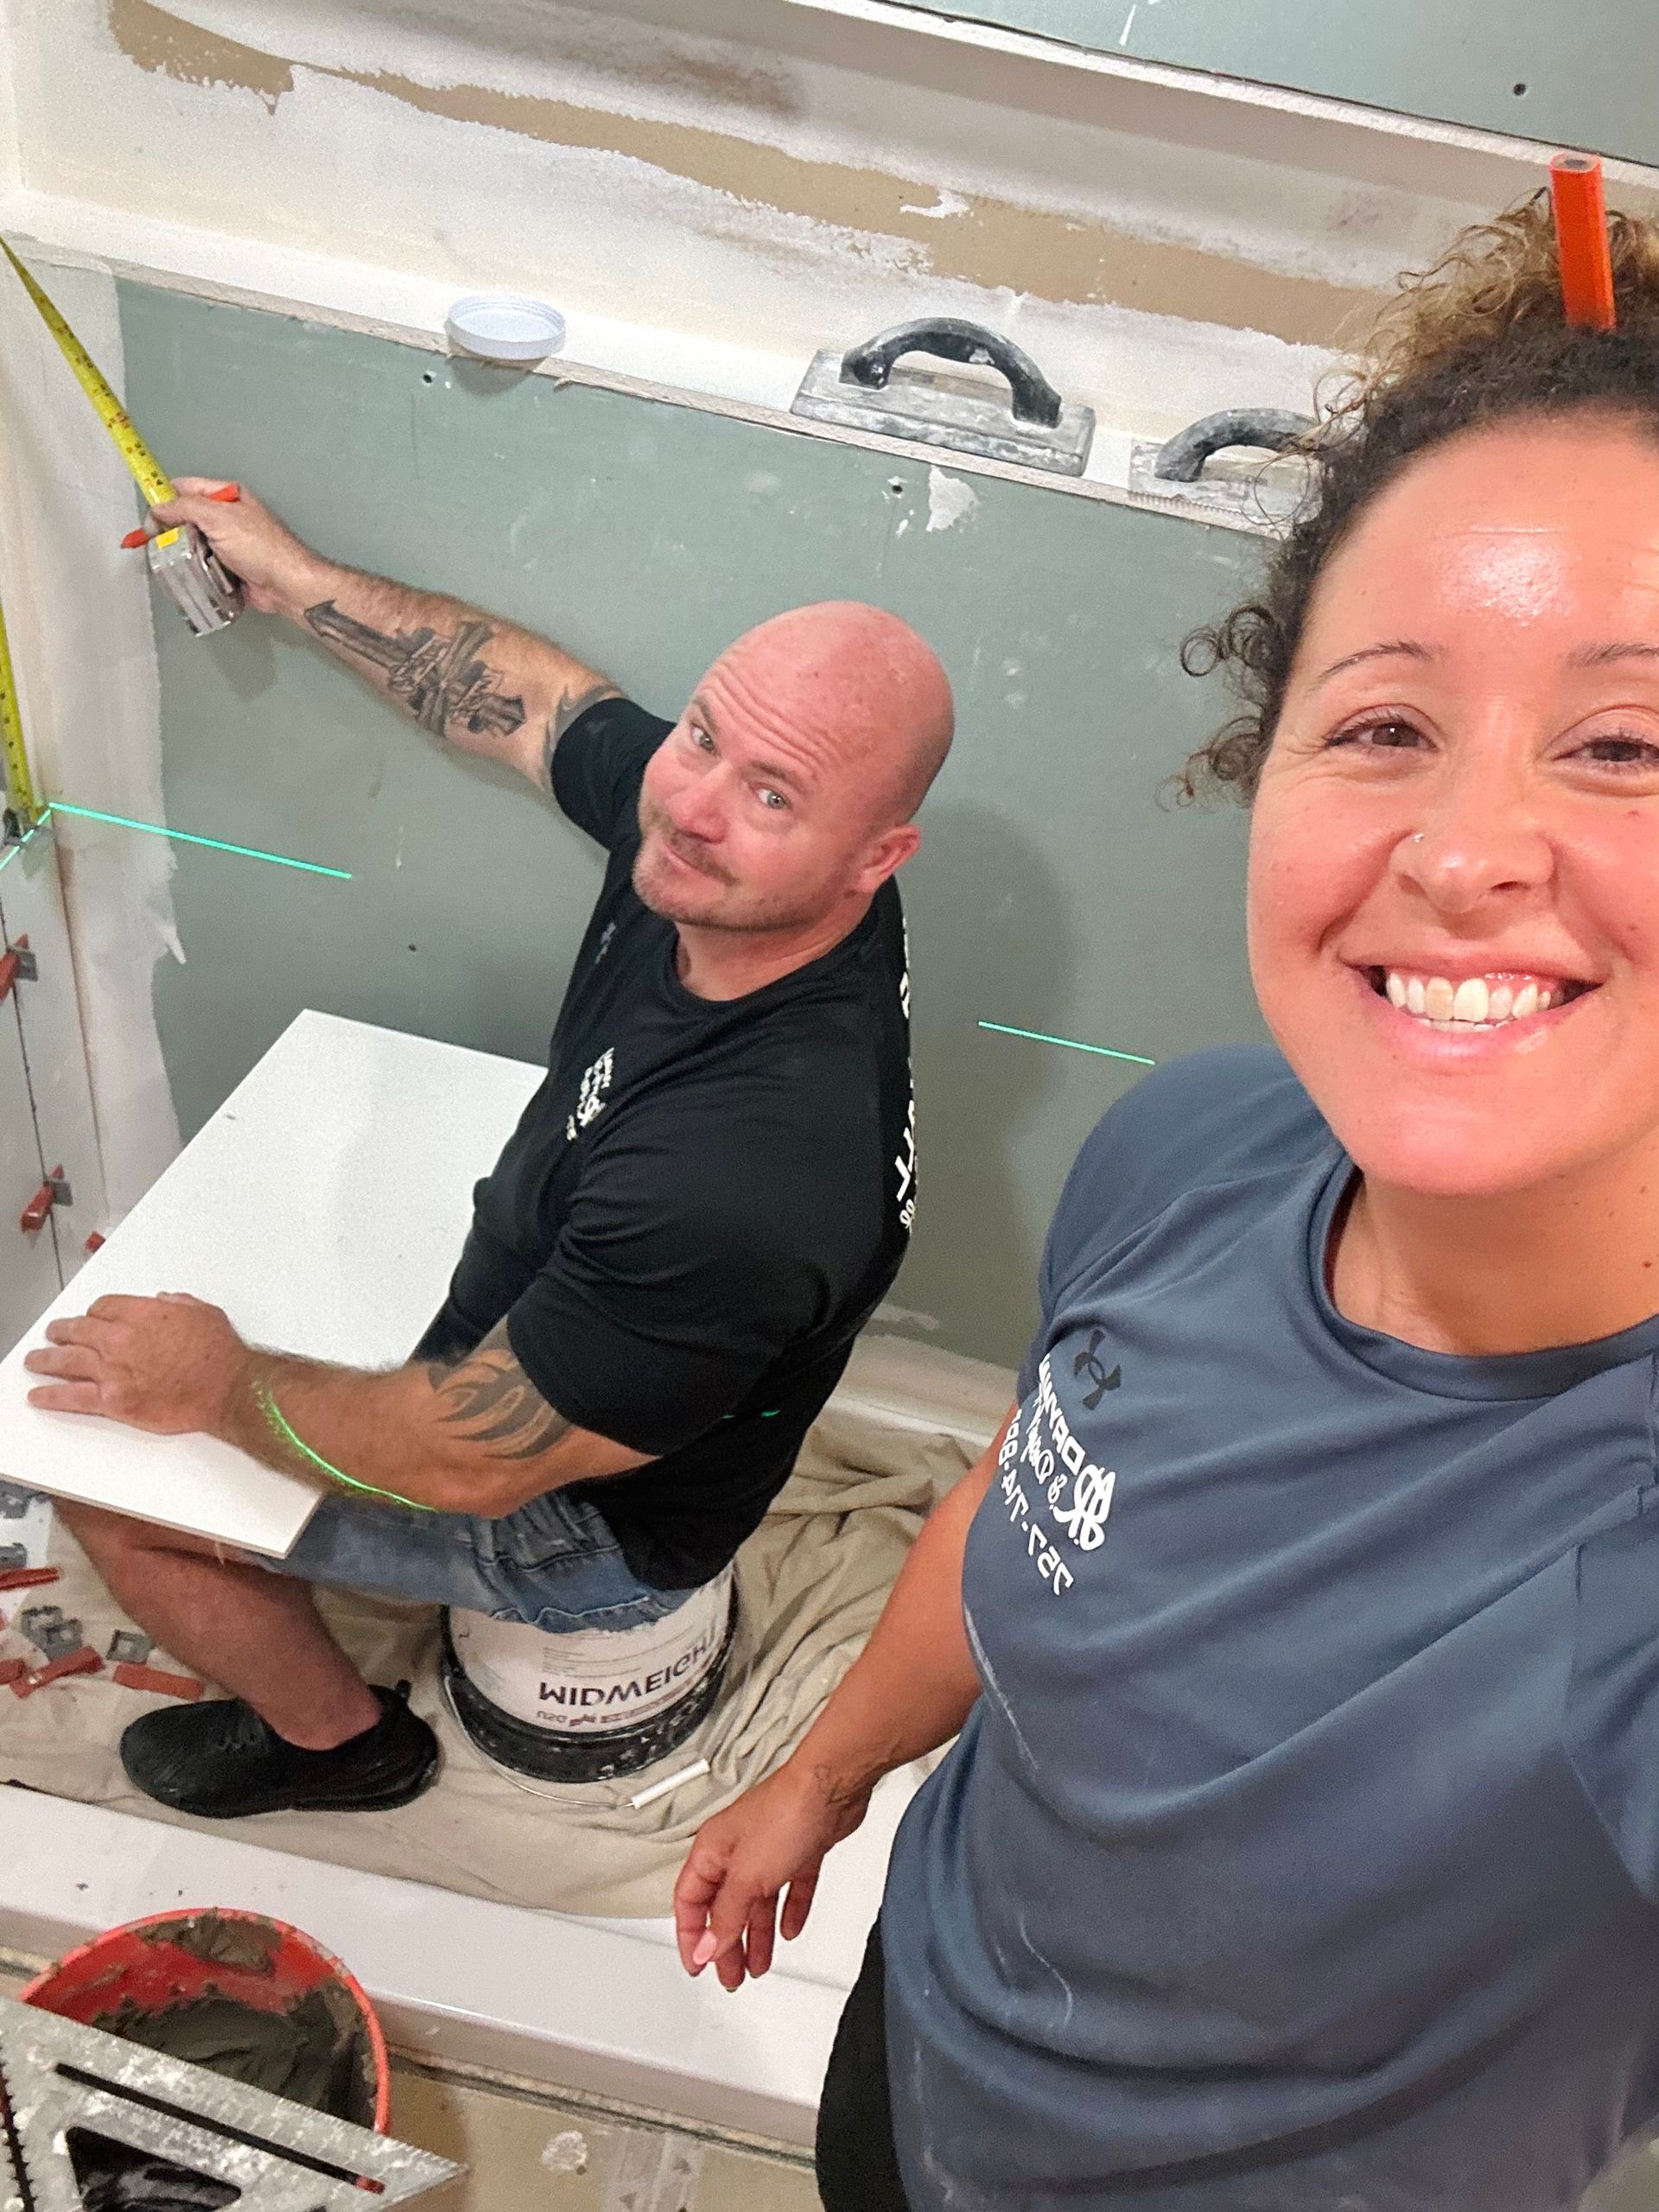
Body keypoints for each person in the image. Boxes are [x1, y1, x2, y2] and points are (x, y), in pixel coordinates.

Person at [672, 195, 1659, 2211]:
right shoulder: (1196, 1150)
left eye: (1631, 740)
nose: (1469, 849)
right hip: (921, 2054)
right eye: (1385, 723)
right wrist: (823, 1774)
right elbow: (1026, 1497)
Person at [24, 488, 953, 1823]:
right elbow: (537, 704)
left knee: (102, 1483)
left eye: (769, 793)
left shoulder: (745, 1177)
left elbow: (474, 1461)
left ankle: (343, 1748)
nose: (687, 807)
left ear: (879, 857)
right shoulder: (748, 866)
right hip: (576, 1322)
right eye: (703, 737)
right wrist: (295, 576)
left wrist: (217, 1385)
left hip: (592, 1531)